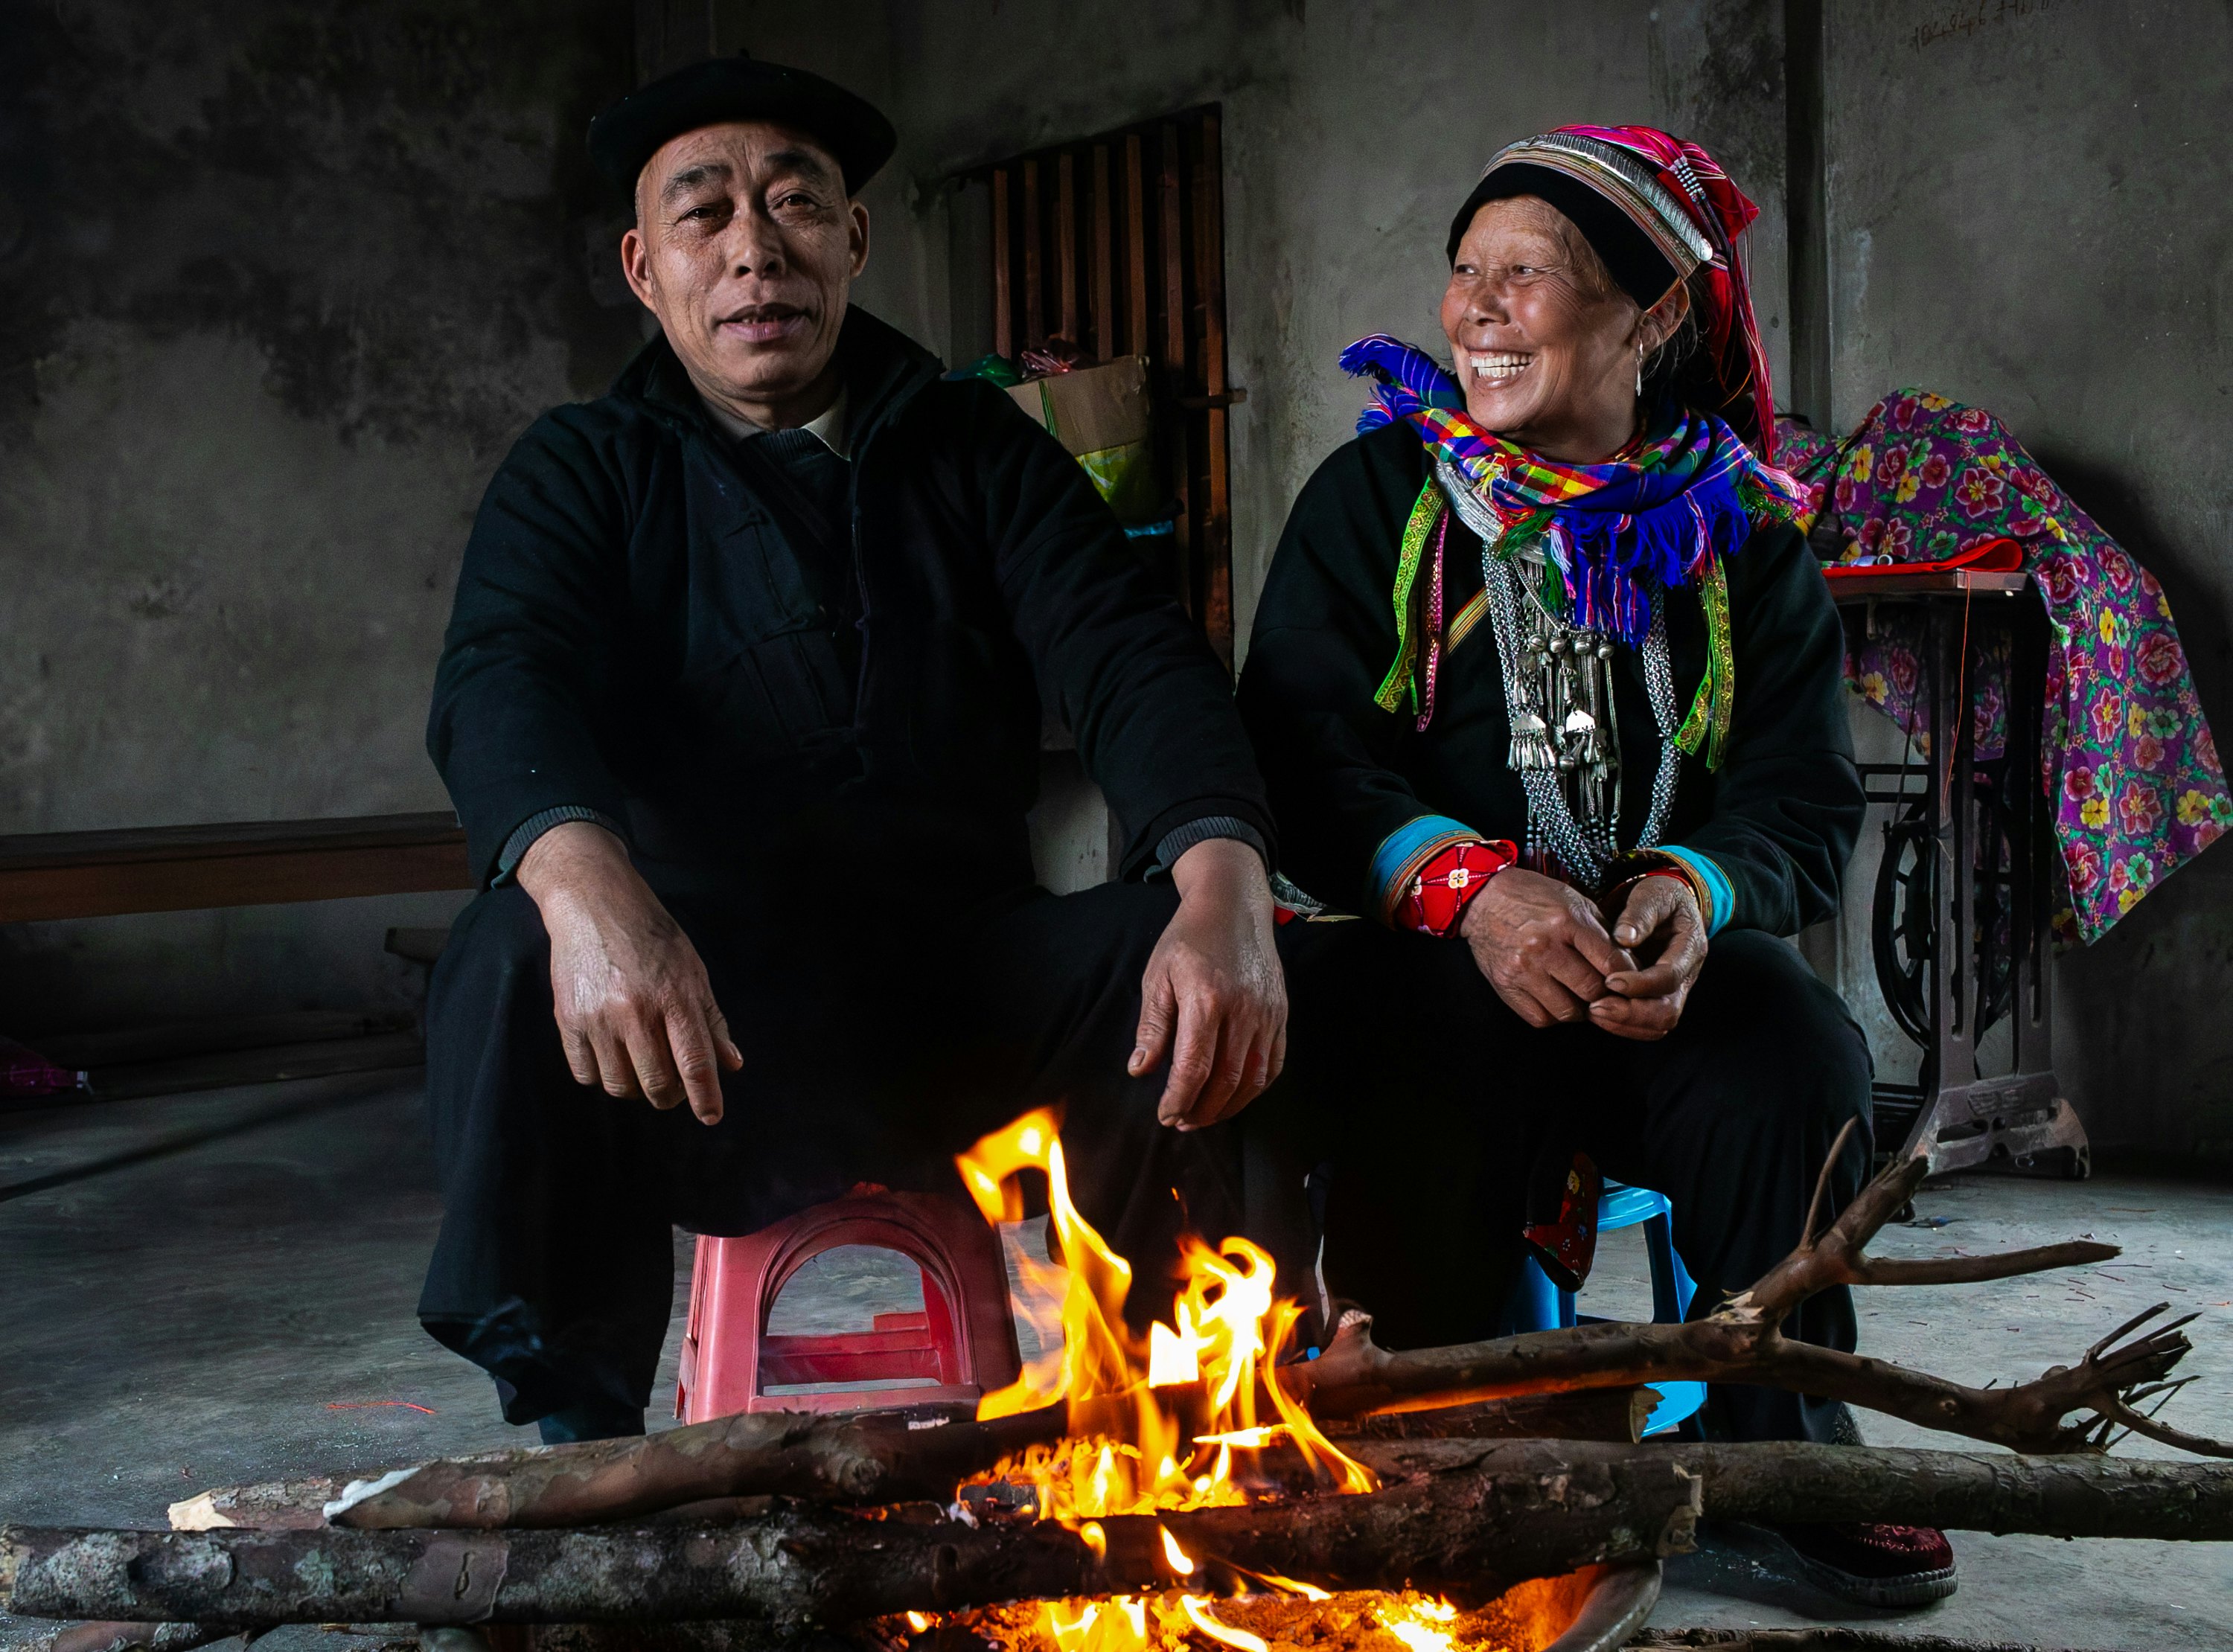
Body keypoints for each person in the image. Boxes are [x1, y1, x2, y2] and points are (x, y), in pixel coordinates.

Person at [419, 54, 1291, 1447]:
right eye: (706, 216)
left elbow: (1130, 652)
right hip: (713, 1038)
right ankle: (580, 1450)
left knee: (1167, 951)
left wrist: (1226, 883)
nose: (755, 247)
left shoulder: (977, 449)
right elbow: (498, 676)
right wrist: (586, 889)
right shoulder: (583, 467)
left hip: (968, 995)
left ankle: (1168, 1423)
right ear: (646, 270)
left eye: (795, 205)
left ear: (855, 240)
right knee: (516, 949)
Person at [1239, 127, 1955, 1607]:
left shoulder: (1741, 532)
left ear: (1653, 316)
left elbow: (1802, 793)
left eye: (1526, 276)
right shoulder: (1383, 501)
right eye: (1463, 274)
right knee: (1428, 1049)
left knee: (1793, 1056)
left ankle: (1783, 1463)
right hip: (1434, 961)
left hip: (1647, 986)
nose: (1477, 310)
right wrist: (1469, 890)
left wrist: (1694, 889)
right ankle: (1437, 1455)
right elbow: (1298, 753)